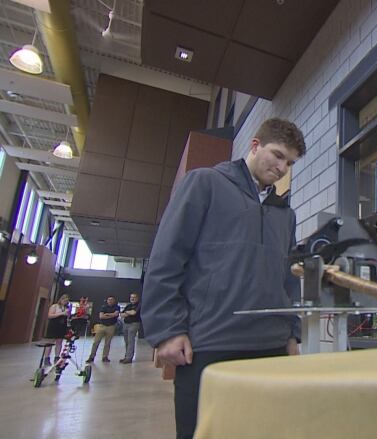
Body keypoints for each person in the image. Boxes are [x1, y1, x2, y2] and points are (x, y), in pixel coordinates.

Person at [141, 118, 306, 439]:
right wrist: (167, 330)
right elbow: (167, 257)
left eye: (290, 162)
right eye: (277, 155)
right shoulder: (204, 183)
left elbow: (288, 279)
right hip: (209, 345)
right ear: (255, 146)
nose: (282, 167)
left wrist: (292, 333)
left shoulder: (285, 213)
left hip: (270, 347)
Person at [86, 296, 120, 363]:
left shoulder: (117, 307)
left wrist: (107, 314)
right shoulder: (103, 307)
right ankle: (91, 357)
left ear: (114, 301)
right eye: (109, 299)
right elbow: (101, 316)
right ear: (107, 300)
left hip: (111, 326)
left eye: (112, 300)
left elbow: (116, 314)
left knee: (107, 343)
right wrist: (111, 315)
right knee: (96, 342)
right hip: (102, 326)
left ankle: (105, 357)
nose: (110, 301)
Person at [43, 294, 70, 366]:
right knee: (50, 342)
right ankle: (46, 358)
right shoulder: (54, 306)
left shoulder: (66, 308)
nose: (65, 302)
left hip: (61, 326)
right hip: (53, 325)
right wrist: (61, 313)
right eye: (64, 300)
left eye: (66, 301)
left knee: (59, 342)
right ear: (61, 300)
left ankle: (57, 357)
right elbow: (50, 315)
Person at [119, 293, 141, 364]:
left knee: (130, 340)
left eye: (134, 297)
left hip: (134, 324)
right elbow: (122, 315)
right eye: (131, 297)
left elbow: (134, 313)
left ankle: (129, 358)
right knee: (126, 341)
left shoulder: (139, 305)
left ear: (137, 298)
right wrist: (128, 312)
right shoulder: (128, 305)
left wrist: (126, 312)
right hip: (126, 324)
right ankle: (127, 356)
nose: (132, 298)